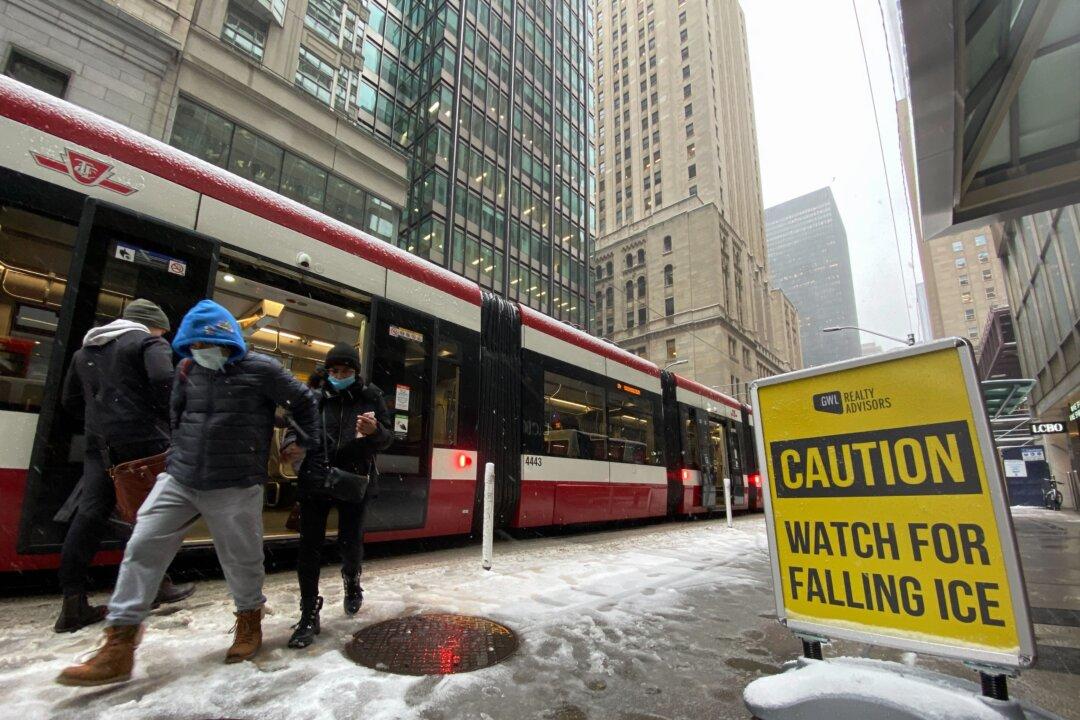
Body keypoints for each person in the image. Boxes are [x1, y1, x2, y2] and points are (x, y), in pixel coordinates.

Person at [57, 299, 323, 686]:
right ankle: (119, 644)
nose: (201, 353)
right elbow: (176, 414)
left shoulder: (262, 368)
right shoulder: (186, 369)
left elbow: (304, 400)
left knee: (241, 559)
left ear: (227, 340)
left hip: (234, 481)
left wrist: (306, 441)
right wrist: (179, 449)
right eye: (194, 347)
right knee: (142, 546)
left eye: (206, 345)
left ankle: (250, 620)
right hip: (180, 477)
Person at [54, 299, 195, 633]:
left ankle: (72, 603)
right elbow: (165, 381)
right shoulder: (149, 342)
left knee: (90, 515)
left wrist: (103, 423)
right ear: (153, 324)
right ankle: (155, 587)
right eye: (164, 328)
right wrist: (169, 418)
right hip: (143, 443)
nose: (165, 334)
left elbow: (70, 401)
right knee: (152, 517)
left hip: (99, 445)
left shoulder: (84, 352)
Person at [284, 342, 391, 649]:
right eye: (334, 370)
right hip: (315, 478)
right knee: (309, 548)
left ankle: (352, 580)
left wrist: (375, 433)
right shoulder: (314, 398)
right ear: (327, 370)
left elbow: (388, 438)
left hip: (353, 479)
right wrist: (289, 444)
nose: (338, 375)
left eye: (345, 370)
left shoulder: (371, 396)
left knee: (350, 541)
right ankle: (308, 613)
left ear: (355, 371)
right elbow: (294, 427)